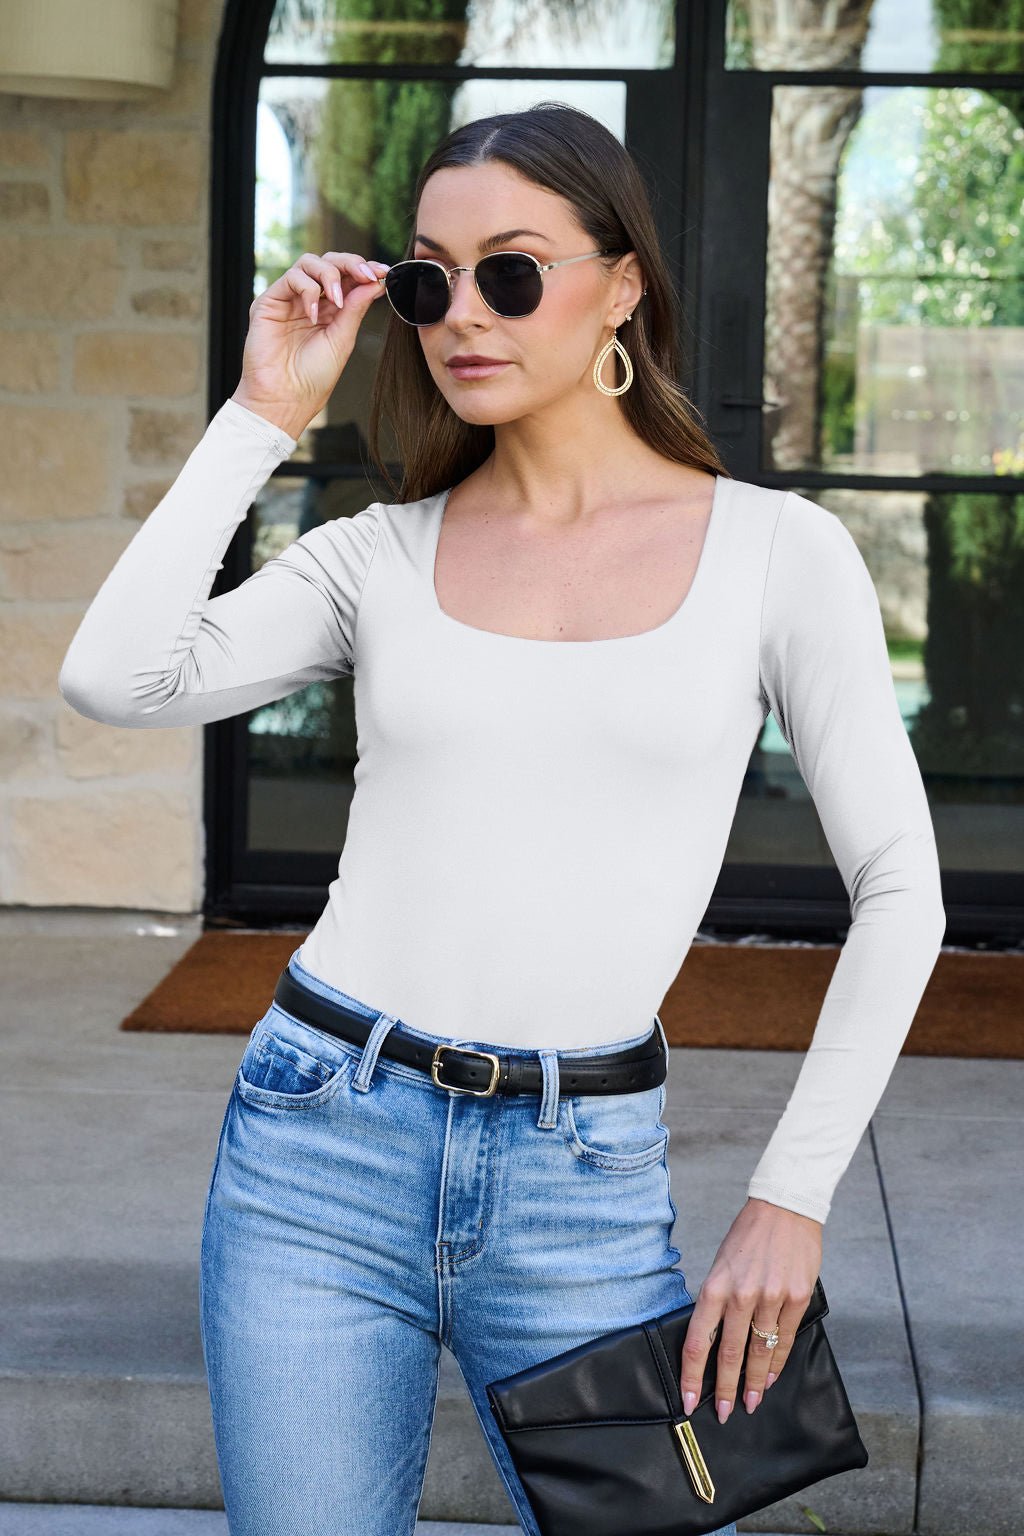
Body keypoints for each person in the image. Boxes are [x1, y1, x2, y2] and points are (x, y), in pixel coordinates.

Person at [57, 102, 945, 1536]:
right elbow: (114, 676)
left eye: (510, 272)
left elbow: (902, 887)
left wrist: (792, 1193)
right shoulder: (376, 556)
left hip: (582, 1179)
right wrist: (262, 418)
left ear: (622, 286)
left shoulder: (780, 554)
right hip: (317, 1150)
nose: (459, 313)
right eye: (428, 279)